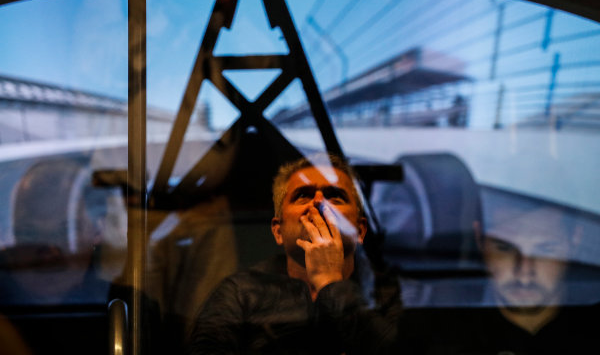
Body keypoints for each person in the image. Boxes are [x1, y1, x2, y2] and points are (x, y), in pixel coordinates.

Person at [187, 153, 400, 355]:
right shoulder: (241, 292)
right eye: (302, 196)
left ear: (359, 231)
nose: (318, 202)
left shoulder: (385, 293)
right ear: (278, 231)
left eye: (334, 196)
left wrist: (330, 282)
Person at [398, 190, 599, 354]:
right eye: (505, 248)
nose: (524, 271)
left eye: (545, 250)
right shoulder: (434, 332)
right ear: (479, 238)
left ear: (576, 239)